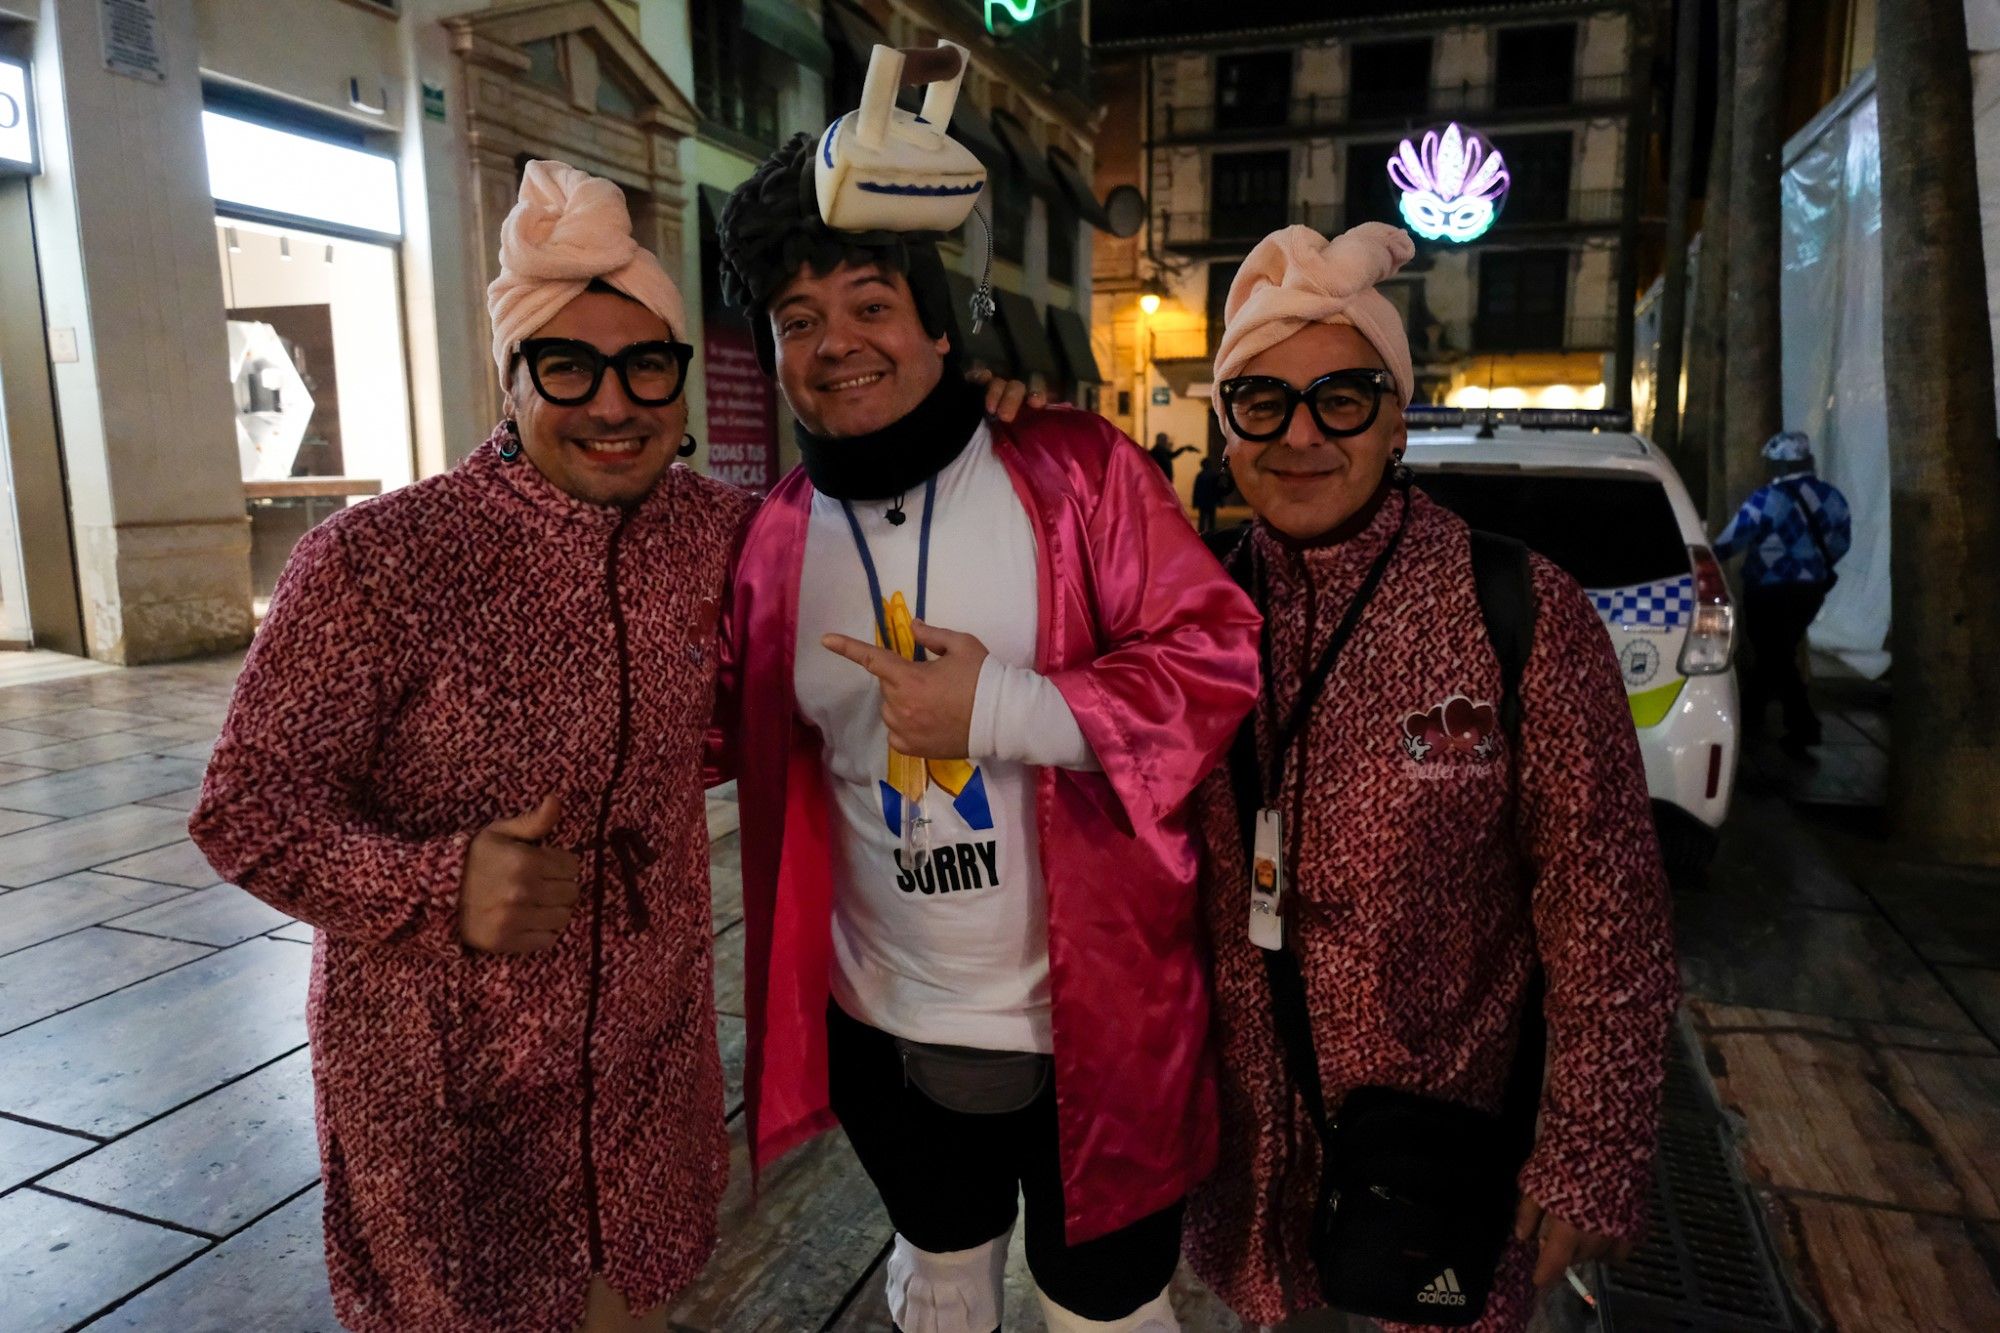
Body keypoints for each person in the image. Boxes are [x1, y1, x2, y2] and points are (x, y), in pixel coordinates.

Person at [708, 106, 1261, 1333]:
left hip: (1095, 1026)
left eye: (868, 305)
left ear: (938, 328)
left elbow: (1217, 652)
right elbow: (704, 728)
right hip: (880, 1019)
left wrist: (1004, 704)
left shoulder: (1075, 472)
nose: (834, 344)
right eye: (798, 322)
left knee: (1105, 1311)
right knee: (942, 1286)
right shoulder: (773, 540)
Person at [189, 162, 759, 1333]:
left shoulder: (719, 532)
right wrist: (441, 883)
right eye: (568, 366)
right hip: (446, 1089)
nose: (613, 403)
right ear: (508, 381)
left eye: (645, 363)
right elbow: (245, 807)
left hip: (648, 1067)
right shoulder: (379, 561)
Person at [1179, 223, 1680, 1333]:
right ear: (1225, 428)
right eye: (1260, 401)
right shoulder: (1190, 618)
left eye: (1341, 396)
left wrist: (1589, 1153)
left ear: (1396, 414)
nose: (1301, 432)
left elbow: (1607, 910)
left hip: (1444, 1190)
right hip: (1240, 1193)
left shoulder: (1518, 610)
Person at [1714, 430, 1851, 749]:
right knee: (1778, 651)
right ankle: (1752, 714)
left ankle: (1804, 725)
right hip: (1811, 590)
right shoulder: (1833, 497)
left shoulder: (1765, 499)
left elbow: (1732, 541)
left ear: (1777, 466)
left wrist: (1701, 557)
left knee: (1774, 652)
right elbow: (1842, 543)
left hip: (1767, 590)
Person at [1192, 456, 1226, 534]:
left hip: (1202, 501)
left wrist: (1195, 502)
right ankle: (1211, 534)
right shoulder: (1214, 475)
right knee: (1211, 519)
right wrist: (1220, 501)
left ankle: (1201, 535)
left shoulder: (1200, 475)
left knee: (1202, 519)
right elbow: (1218, 489)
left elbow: (1196, 490)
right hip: (1211, 501)